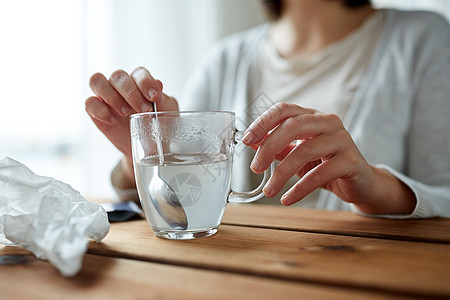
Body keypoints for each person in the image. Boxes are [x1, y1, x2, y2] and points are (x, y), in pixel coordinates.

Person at [85, 0, 450, 219]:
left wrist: (374, 187)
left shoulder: (424, 39)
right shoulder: (224, 59)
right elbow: (181, 202)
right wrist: (142, 157)